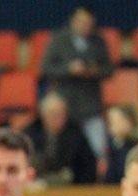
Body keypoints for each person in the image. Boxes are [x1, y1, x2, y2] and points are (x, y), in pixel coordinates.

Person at [42, 6, 113, 158]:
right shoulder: (59, 39)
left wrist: (93, 71)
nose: (84, 26)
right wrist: (69, 69)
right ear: (73, 21)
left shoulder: (98, 41)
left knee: (97, 151)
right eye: (81, 22)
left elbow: (109, 69)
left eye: (88, 23)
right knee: (63, 151)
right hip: (65, 105)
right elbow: (47, 68)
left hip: (91, 104)